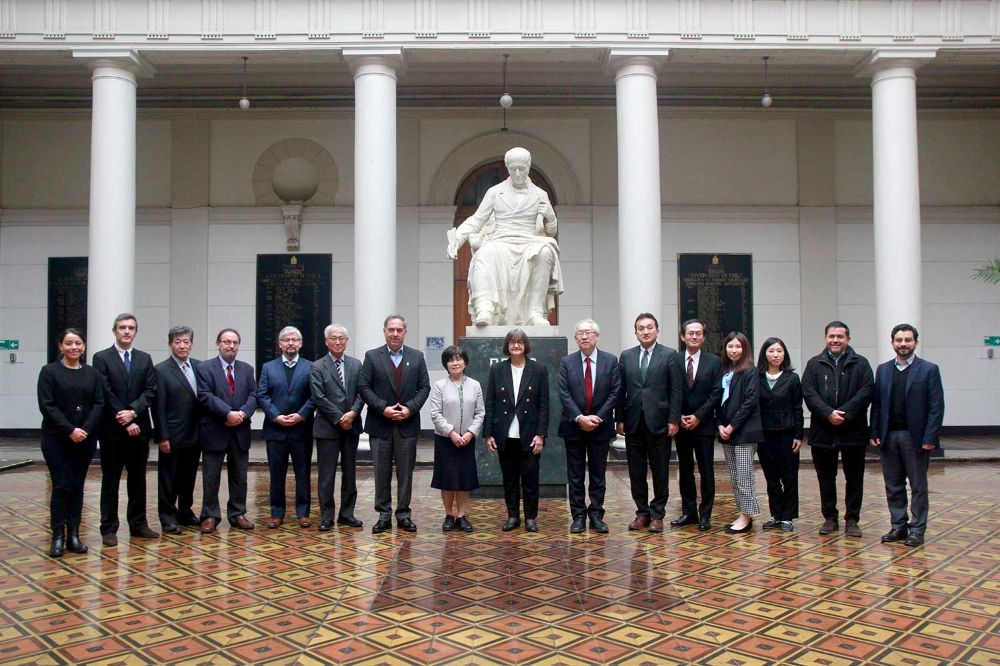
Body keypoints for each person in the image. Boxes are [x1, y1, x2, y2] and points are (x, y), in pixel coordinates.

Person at [446, 146, 563, 326]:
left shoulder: (540, 194)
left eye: (522, 169)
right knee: (484, 255)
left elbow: (550, 231)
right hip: (501, 240)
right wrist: (458, 239)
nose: (517, 173)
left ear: (529, 167)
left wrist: (551, 216)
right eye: (513, 169)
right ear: (507, 168)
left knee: (546, 251)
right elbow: (477, 220)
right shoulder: (494, 192)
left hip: (530, 240)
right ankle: (485, 307)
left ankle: (535, 312)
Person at [870, 324, 945, 547]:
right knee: (893, 484)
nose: (903, 344)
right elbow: (877, 404)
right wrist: (874, 431)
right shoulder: (883, 369)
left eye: (908, 340)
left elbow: (936, 406)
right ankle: (898, 526)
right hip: (888, 436)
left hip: (917, 439)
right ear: (892, 343)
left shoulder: (929, 369)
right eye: (899, 340)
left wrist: (931, 438)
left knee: (918, 486)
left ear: (916, 342)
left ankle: (917, 529)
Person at [358, 315, 431, 534]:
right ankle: (383, 515)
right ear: (385, 331)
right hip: (380, 425)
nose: (395, 334)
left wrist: (410, 408)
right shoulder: (372, 357)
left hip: (407, 426)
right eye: (391, 330)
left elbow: (424, 387)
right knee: (381, 472)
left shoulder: (417, 357)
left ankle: (403, 514)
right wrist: (383, 408)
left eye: (399, 330)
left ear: (405, 333)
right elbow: (364, 387)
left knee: (406, 473)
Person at [801, 321, 874, 537]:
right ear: (825, 338)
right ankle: (829, 518)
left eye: (840, 336)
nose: (835, 340)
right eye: (831, 336)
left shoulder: (861, 364)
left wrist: (843, 413)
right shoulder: (814, 364)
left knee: (855, 478)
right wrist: (827, 413)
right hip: (823, 431)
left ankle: (852, 519)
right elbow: (808, 391)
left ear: (848, 339)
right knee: (825, 477)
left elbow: (867, 391)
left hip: (853, 431)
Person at [92, 313, 159, 547]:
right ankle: (108, 527)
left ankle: (138, 524)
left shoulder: (144, 358)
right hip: (112, 430)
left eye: (131, 328)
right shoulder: (101, 358)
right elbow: (105, 391)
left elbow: (151, 391)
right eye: (122, 327)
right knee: (111, 479)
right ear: (115, 331)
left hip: (139, 429)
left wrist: (134, 412)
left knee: (138, 479)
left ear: (136, 332)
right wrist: (125, 418)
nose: (127, 331)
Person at [37, 328, 104, 557]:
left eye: (78, 343)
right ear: (60, 346)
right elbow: (47, 405)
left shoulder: (92, 373)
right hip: (56, 438)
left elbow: (98, 403)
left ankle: (74, 535)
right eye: (68, 343)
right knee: (61, 485)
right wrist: (70, 430)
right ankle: (57, 536)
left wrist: (84, 430)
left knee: (77, 485)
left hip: (84, 439)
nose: (73, 347)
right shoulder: (49, 372)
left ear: (83, 346)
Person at [615, 313, 682, 533]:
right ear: (635, 333)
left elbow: (675, 390)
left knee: (660, 470)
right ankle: (642, 513)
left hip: (660, 423)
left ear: (657, 330)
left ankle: (657, 514)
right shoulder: (626, 356)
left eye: (649, 327)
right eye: (641, 328)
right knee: (636, 471)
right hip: (634, 423)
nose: (645, 331)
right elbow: (620, 390)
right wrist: (620, 418)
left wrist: (673, 419)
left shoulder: (670, 355)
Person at [558, 319, 621, 534]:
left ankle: (596, 514)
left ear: (596, 336)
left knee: (597, 474)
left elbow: (615, 392)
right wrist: (579, 418)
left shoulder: (610, 361)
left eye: (588, 333)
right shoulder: (567, 362)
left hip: (600, 427)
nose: (584, 337)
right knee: (575, 475)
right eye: (580, 333)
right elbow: (564, 393)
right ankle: (578, 516)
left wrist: (597, 418)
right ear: (575, 338)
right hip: (573, 427)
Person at [484, 329, 549, 532]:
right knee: (509, 479)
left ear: (525, 345)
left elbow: (543, 405)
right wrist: (488, 434)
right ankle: (513, 516)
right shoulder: (497, 370)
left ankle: (531, 517)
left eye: (520, 342)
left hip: (529, 435)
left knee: (530, 478)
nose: (516, 346)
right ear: (507, 346)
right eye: (512, 342)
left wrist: (541, 434)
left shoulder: (538, 369)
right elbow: (490, 403)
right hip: (505, 434)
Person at [196, 328, 258, 533]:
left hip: (240, 431)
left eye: (235, 343)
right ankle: (210, 515)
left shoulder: (247, 369)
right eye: (226, 342)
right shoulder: (205, 368)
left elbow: (254, 395)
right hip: (215, 430)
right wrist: (227, 413)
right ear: (218, 344)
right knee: (211, 476)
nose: (231, 346)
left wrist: (241, 414)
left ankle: (237, 513)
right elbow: (204, 395)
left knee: (239, 475)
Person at [258, 326, 315, 529]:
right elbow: (262, 395)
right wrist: (276, 416)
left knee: (303, 473)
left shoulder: (311, 367)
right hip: (276, 430)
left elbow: (314, 396)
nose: (290, 343)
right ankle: (277, 513)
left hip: (302, 429)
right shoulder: (268, 367)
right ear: (280, 344)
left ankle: (303, 513)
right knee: (276, 474)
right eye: (286, 340)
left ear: (301, 343)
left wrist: (301, 415)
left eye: (294, 340)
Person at [310, 324, 365, 531]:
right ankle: (326, 516)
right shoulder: (317, 366)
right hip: (328, 428)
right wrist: (339, 417)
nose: (337, 342)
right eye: (333, 338)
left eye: (341, 338)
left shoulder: (355, 364)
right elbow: (318, 396)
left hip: (351, 426)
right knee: (326, 475)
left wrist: (352, 413)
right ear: (326, 341)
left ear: (347, 341)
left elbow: (362, 392)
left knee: (350, 473)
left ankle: (347, 513)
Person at [671, 319, 723, 531]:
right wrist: (680, 416)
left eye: (698, 333)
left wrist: (699, 416)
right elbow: (671, 391)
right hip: (682, 425)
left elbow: (716, 392)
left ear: (703, 337)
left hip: (703, 425)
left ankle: (705, 514)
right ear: (683, 336)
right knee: (685, 470)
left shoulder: (714, 361)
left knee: (706, 470)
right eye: (690, 333)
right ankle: (689, 512)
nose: (694, 336)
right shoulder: (673, 360)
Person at [153, 326, 203, 534]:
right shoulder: (161, 370)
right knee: (168, 478)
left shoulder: (200, 367)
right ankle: (167, 516)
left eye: (186, 341)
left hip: (196, 433)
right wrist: (162, 436)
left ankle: (185, 510)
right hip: (172, 435)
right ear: (170, 345)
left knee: (189, 475)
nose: (182, 345)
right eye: (177, 342)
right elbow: (159, 406)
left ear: (191, 344)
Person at [429, 345, 485, 533]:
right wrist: (451, 433)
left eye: (459, 359)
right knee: (447, 479)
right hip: (446, 439)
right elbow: (436, 414)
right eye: (451, 360)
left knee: (464, 479)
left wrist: (470, 433)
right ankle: (449, 515)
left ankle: (461, 515)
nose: (455, 363)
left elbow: (480, 412)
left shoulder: (475, 385)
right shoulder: (439, 386)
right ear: (446, 364)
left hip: (467, 439)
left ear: (465, 362)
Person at [716, 332, 763, 534]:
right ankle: (743, 512)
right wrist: (720, 425)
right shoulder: (724, 371)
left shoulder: (750, 371)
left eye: (738, 347)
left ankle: (747, 515)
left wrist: (732, 426)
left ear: (745, 350)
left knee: (744, 476)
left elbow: (749, 401)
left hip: (744, 432)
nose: (734, 350)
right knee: (734, 476)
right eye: (730, 346)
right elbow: (718, 401)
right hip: (726, 431)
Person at [756, 337, 804, 532]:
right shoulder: (757, 377)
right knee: (771, 478)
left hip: (787, 435)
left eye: (779, 351)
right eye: (771, 351)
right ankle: (776, 514)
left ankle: (788, 516)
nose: (775, 355)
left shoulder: (792, 378)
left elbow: (798, 408)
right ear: (764, 354)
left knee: (789, 477)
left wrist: (799, 435)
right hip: (765, 436)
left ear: (784, 354)